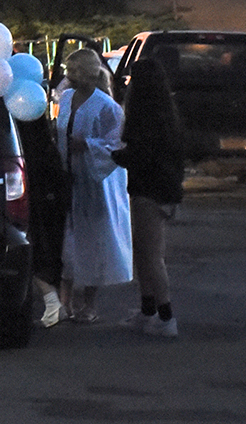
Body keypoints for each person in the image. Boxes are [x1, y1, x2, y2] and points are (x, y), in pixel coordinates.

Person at [55, 47, 132, 323]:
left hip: (93, 184)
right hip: (67, 179)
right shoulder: (65, 99)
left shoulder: (106, 106)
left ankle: (88, 303)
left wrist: (87, 145)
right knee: (66, 241)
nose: (70, 77)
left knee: (93, 241)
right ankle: (64, 303)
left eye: (74, 71)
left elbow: (116, 145)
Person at [111, 58, 186, 337]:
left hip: (148, 190)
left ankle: (165, 315)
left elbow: (140, 155)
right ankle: (148, 310)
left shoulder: (143, 117)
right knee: (145, 253)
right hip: (164, 189)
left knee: (151, 256)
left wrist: (115, 155)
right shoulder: (168, 114)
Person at [16, 107, 70, 327]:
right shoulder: (46, 145)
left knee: (31, 249)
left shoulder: (21, 143)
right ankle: (55, 301)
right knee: (48, 249)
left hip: (33, 199)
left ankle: (51, 301)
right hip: (50, 199)